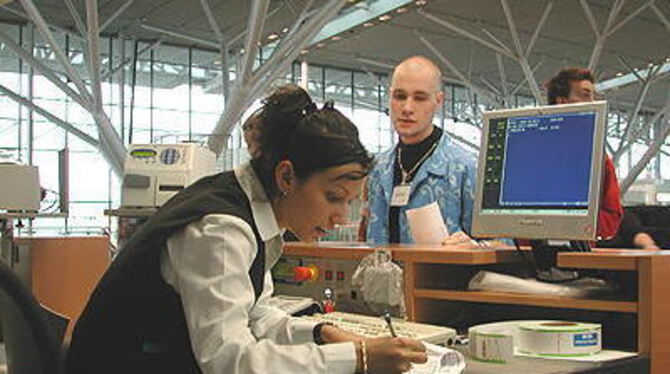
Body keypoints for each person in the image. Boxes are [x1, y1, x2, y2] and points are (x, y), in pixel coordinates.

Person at [66, 84, 427, 374]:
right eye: (334, 197)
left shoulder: (245, 208)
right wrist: (357, 360)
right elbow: (230, 362)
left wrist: (321, 333)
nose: (341, 216)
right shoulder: (220, 229)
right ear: (286, 176)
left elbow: (252, 315)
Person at [366, 56, 478, 245]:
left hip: (442, 273)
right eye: (400, 96)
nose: (407, 108)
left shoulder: (466, 168)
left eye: (420, 98)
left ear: (438, 101)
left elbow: (503, 243)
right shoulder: (379, 168)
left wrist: (475, 245)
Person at [545, 67, 623, 239]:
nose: (593, 102)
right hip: (527, 253)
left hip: (578, 255)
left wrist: (566, 227)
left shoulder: (600, 159)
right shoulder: (532, 151)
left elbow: (612, 217)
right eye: (586, 95)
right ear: (562, 102)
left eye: (594, 96)